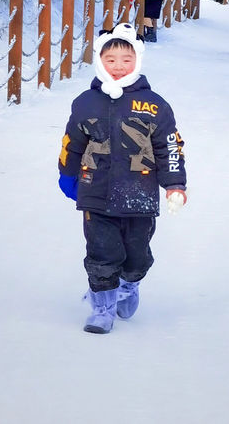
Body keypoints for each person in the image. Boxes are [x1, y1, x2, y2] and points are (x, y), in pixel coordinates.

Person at [57, 21, 187, 334]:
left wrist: (175, 185)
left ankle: (129, 284)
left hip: (139, 195)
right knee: (102, 252)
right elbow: (72, 141)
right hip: (96, 193)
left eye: (126, 60)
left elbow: (170, 146)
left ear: (137, 62)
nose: (118, 66)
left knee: (137, 255)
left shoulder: (154, 105)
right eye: (110, 60)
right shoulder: (85, 103)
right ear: (99, 61)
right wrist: (67, 173)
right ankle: (102, 308)